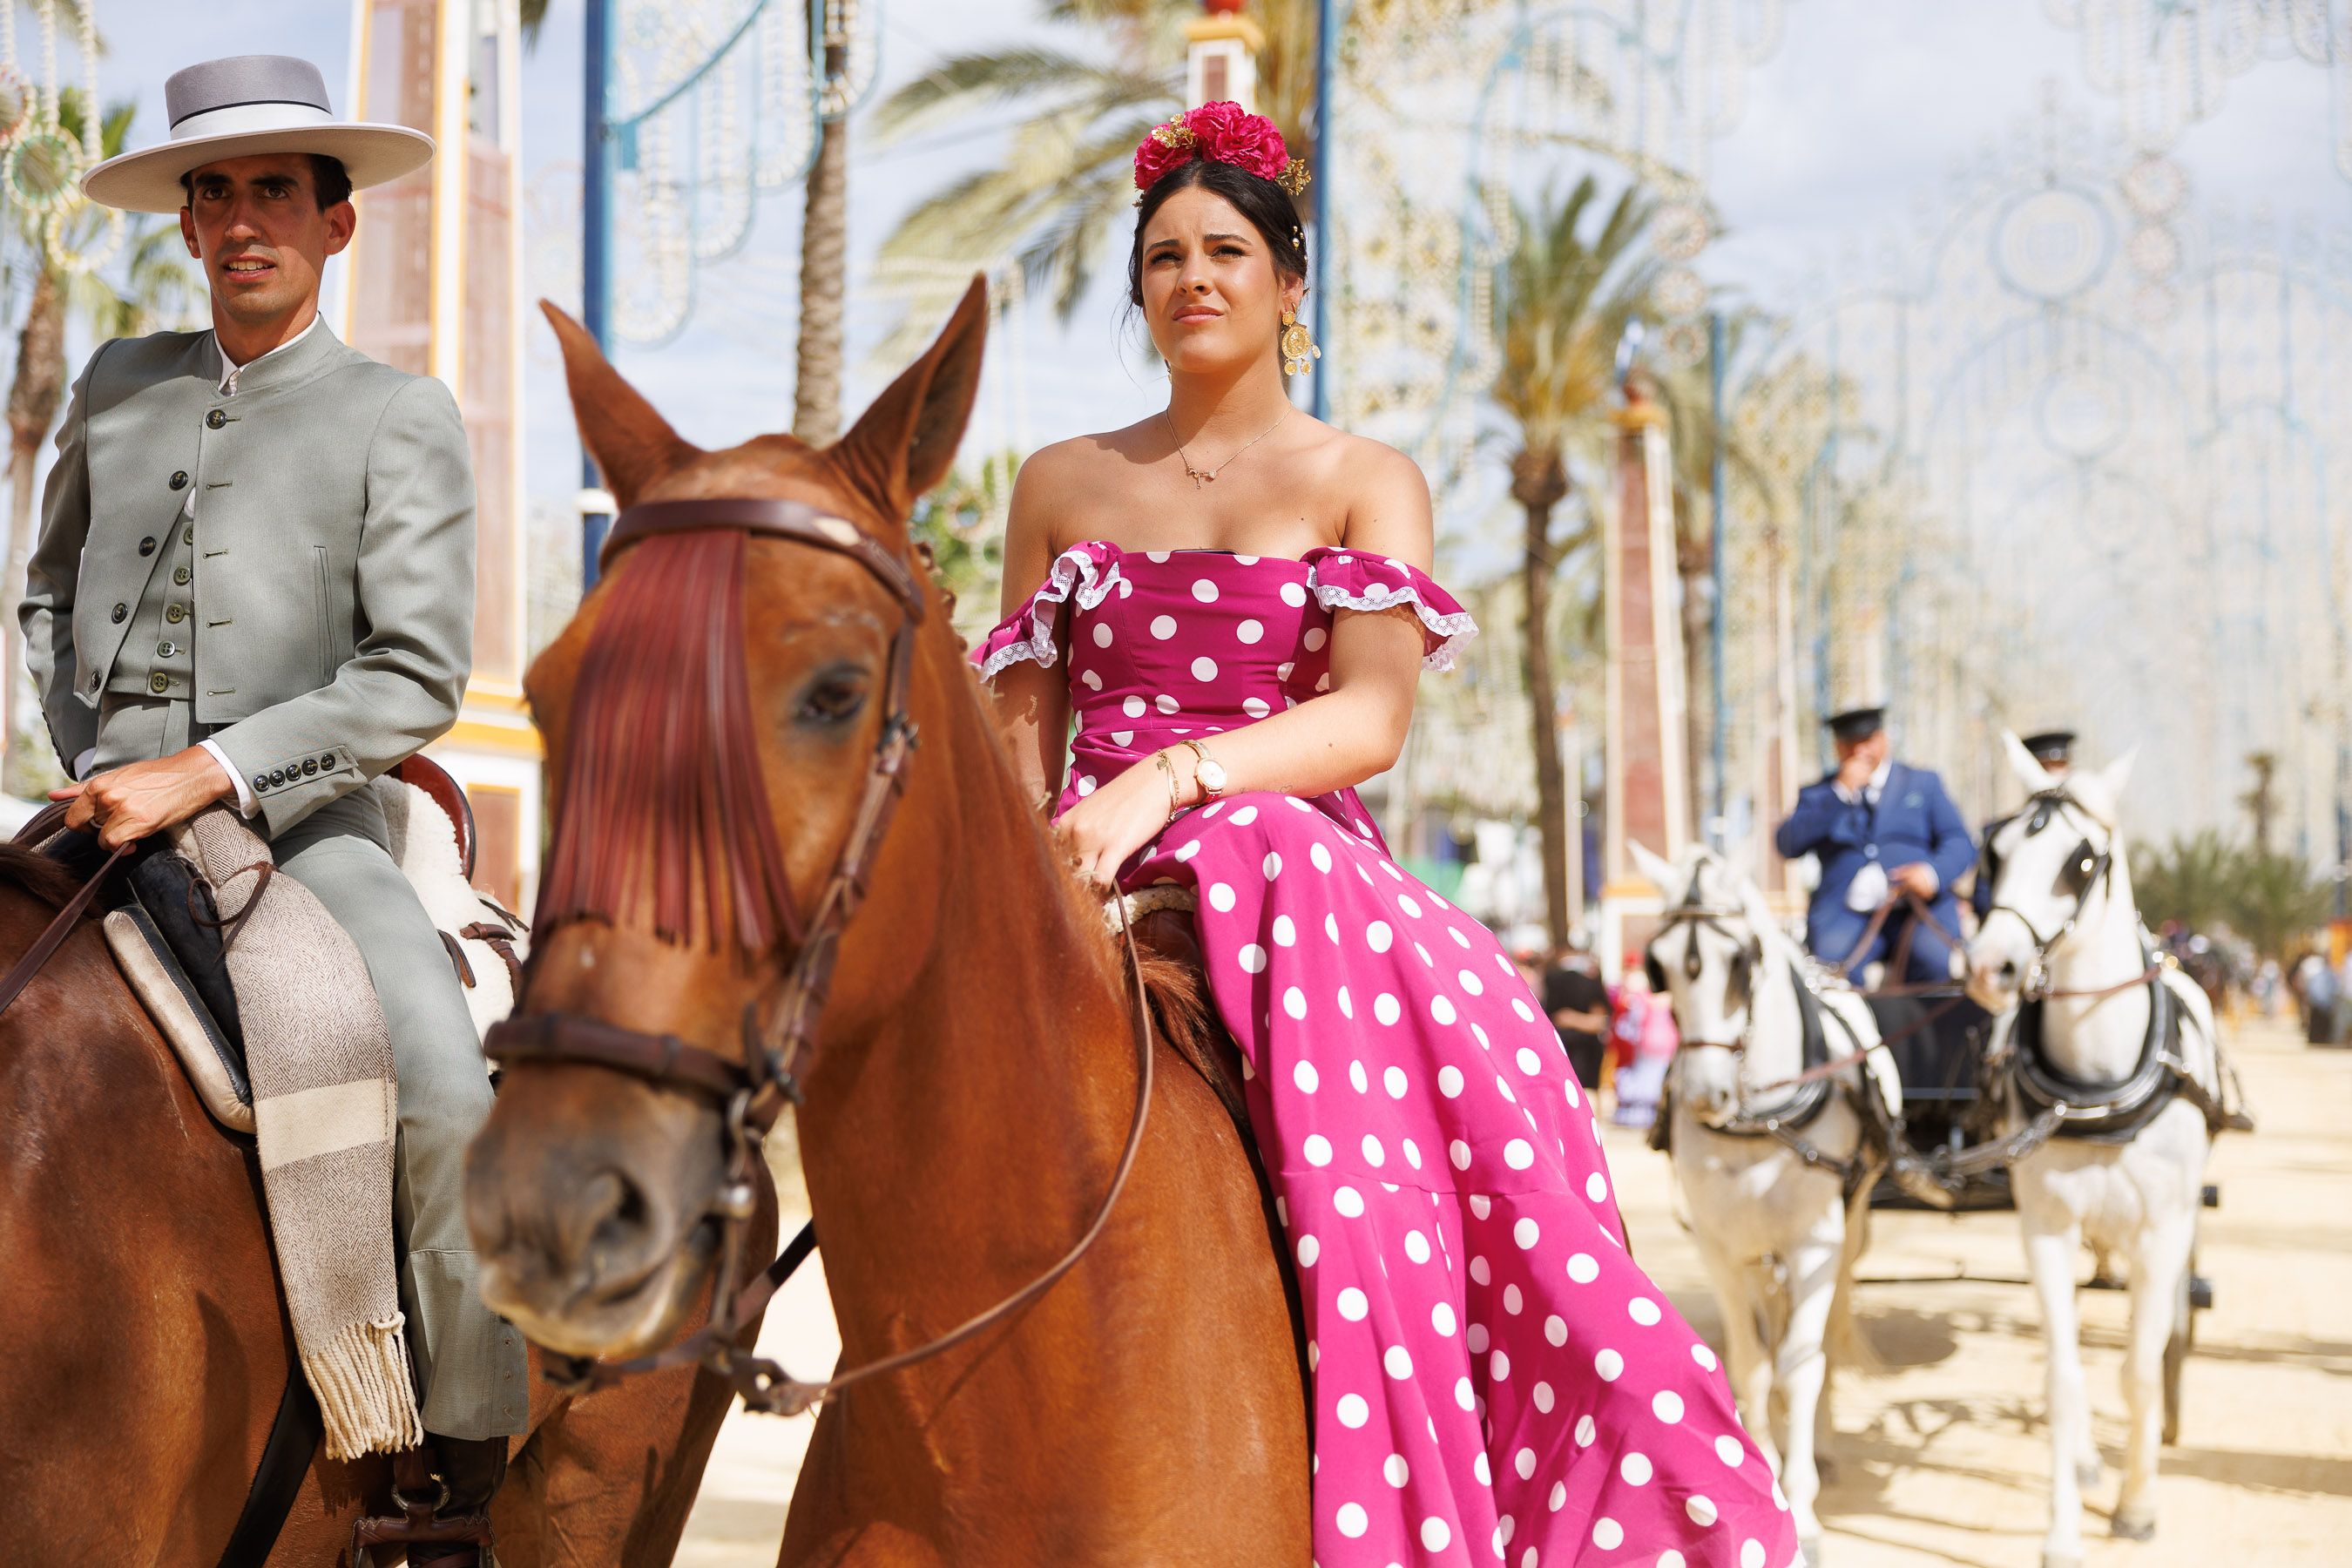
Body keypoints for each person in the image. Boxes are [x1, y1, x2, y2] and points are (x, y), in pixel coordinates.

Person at [975, 101, 1796, 1568]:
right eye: (1162, 257)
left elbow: (1368, 720)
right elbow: (1020, 730)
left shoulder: (1365, 478)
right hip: (1081, 846)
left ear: (1291, 288)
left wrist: (1172, 785)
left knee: (1282, 878)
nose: (1191, 278)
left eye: (1227, 250)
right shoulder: (1061, 480)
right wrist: (1020, 857)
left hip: (1281, 854)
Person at [27, 55, 523, 1549]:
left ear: (335, 225)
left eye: (275, 194)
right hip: (97, 811)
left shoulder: (399, 414)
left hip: (305, 828)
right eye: (217, 193)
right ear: (185, 226)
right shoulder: (116, 383)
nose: (245, 220)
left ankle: (457, 1451)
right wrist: (94, 755)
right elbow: (47, 594)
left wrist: (217, 771)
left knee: (437, 1084)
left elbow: (416, 672)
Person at [1774, 704, 1974, 985]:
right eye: (1849, 744)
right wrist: (1839, 794)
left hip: (1919, 910)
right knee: (1831, 972)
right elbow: (1787, 844)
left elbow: (1960, 842)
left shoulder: (1923, 783)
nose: (1859, 752)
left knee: (1933, 963)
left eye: (1866, 742)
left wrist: (1932, 874)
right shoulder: (1821, 794)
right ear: (1837, 748)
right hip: (1845, 915)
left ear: (1883, 739)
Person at [1971, 727, 2074, 922]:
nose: (2055, 778)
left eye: (2061, 766)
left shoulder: (2085, 830)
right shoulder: (2000, 833)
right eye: (2045, 768)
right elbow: (1982, 899)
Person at [1606, 957, 1676, 1130]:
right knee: (1646, 1081)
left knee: (1652, 1082)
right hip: (1650, 1046)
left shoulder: (1645, 996)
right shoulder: (1644, 996)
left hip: (1658, 1046)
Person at [1544, 935, 1612, 1092]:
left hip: (1565, 1045)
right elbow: (1600, 1021)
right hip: (1584, 1046)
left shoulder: (1552, 979)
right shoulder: (1591, 980)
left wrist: (1570, 1018)